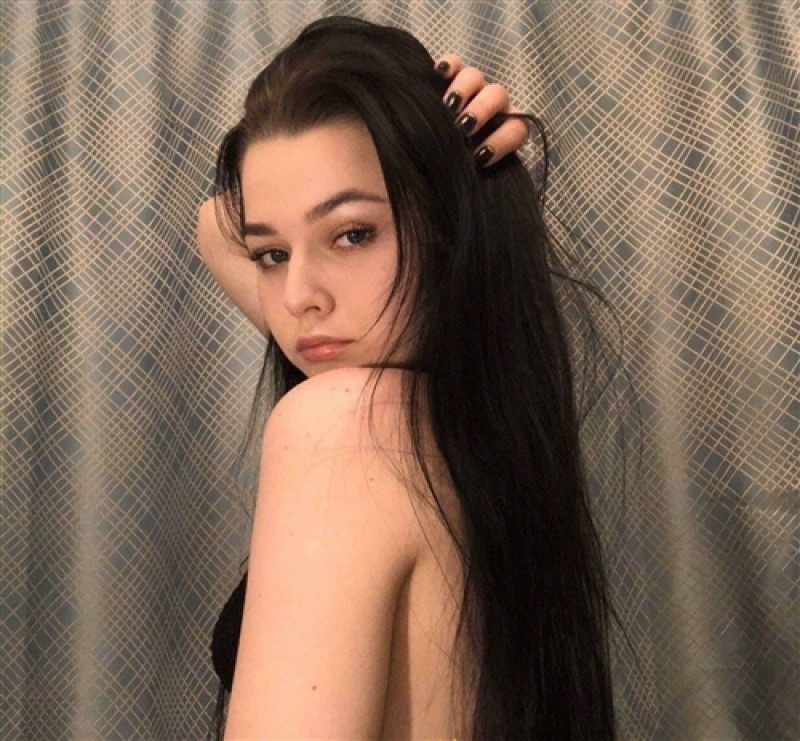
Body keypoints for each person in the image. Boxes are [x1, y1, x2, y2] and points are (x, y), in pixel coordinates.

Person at [196, 16, 615, 740]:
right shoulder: (476, 426)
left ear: (453, 229)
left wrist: (438, 147)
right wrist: (439, 144)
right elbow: (216, 224)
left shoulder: (342, 422)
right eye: (272, 255)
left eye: (352, 234)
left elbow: (215, 225)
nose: (298, 298)